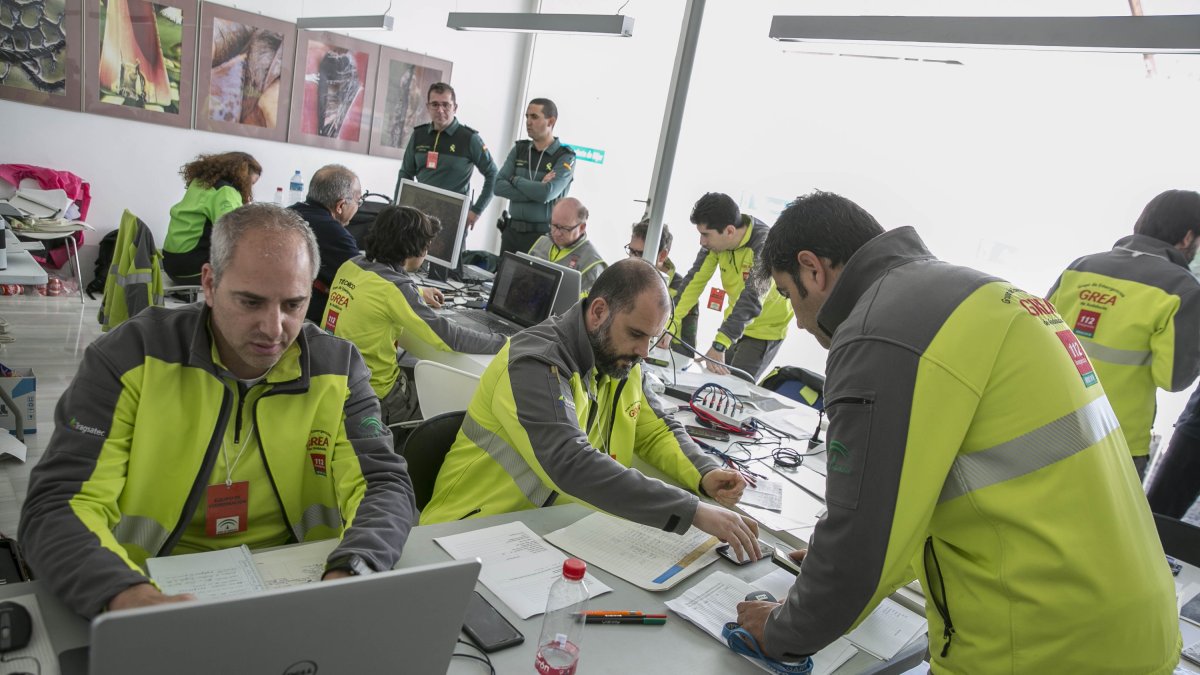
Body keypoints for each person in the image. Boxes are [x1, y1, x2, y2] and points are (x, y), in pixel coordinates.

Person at [736, 191, 1179, 672]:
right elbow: (958, 486)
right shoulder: (980, 295)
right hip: (1128, 627)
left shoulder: (880, 329)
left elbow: (862, 543)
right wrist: (838, 561)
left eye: (788, 295)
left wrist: (780, 631)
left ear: (812, 269)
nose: (800, 324)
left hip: (1041, 645)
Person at [19, 203, 417, 618]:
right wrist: (125, 595)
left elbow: (383, 484)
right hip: (147, 583)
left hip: (299, 584)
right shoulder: (129, 356)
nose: (273, 328)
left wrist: (351, 572)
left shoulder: (339, 367)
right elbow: (57, 504)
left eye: (293, 305)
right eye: (250, 302)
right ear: (209, 284)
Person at [420, 259, 762, 561]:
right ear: (598, 312)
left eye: (653, 339)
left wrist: (704, 471)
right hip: (469, 535)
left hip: (551, 535)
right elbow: (570, 462)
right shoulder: (535, 362)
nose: (644, 351)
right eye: (636, 334)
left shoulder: (621, 361)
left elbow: (657, 430)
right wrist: (691, 510)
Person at [1047, 189, 1200, 477]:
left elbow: (1036, 339)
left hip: (1044, 424)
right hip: (1115, 440)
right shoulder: (1183, 290)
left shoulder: (1081, 267)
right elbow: (1173, 379)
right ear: (1188, 237)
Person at [322, 206, 506, 425]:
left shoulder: (350, 265)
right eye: (426, 247)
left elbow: (377, 292)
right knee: (456, 402)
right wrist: (505, 342)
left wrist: (417, 292)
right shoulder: (396, 290)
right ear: (413, 250)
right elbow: (450, 338)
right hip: (376, 395)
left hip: (336, 382)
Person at [672, 193, 792, 380]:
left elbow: (752, 297)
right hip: (734, 324)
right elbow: (693, 282)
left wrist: (720, 344)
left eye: (705, 235)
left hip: (764, 331)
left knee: (734, 388)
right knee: (713, 380)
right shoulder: (716, 245)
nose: (702, 242)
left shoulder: (764, 246)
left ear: (729, 231)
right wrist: (670, 324)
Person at [397, 82, 497, 231]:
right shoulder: (419, 135)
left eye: (446, 105)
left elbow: (493, 174)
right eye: (435, 105)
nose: (440, 110)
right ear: (428, 107)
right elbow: (405, 173)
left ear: (455, 108)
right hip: (420, 216)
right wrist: (399, 207)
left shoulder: (469, 138)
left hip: (454, 218)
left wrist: (477, 210)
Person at [494, 98, 576, 255]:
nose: (528, 122)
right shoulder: (520, 149)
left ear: (551, 121)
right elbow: (497, 186)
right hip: (511, 232)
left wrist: (515, 180)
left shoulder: (565, 156)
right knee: (502, 271)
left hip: (542, 237)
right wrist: (537, 188)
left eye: (534, 117)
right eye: (527, 116)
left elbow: (546, 193)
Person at [163, 151, 260, 282]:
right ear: (242, 177)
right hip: (192, 266)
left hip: (172, 262)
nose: (249, 189)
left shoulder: (201, 183)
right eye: (251, 183)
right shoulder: (225, 191)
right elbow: (234, 233)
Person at [289, 164, 363, 324]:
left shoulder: (287, 214)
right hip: (310, 321)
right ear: (340, 206)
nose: (358, 207)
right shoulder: (335, 235)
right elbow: (365, 281)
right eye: (359, 201)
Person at [628, 219, 697, 355]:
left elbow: (687, 351)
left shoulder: (684, 292)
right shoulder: (624, 276)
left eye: (640, 254)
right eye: (631, 251)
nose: (632, 259)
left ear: (663, 255)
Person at [527, 197, 606, 296]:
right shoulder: (542, 242)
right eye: (554, 225)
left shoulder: (592, 264)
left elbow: (587, 303)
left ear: (582, 227)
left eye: (564, 228)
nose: (557, 233)